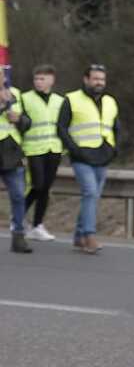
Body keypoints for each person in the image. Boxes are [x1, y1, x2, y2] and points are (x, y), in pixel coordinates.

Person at [57, 64, 119, 254]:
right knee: (90, 193)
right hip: (81, 156)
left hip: (102, 156)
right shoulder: (71, 99)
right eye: (95, 78)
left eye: (102, 79)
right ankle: (89, 236)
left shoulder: (110, 101)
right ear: (86, 79)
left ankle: (78, 236)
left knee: (91, 196)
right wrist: (74, 150)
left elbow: (116, 127)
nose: (99, 82)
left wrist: (114, 149)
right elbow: (61, 128)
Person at [21, 65, 65, 241]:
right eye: (36, 79)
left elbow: (63, 125)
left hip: (54, 148)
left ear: (51, 80)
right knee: (37, 185)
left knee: (45, 188)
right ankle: (18, 215)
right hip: (33, 148)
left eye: (42, 79)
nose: (38, 82)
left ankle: (37, 225)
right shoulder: (25, 98)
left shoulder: (59, 101)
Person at [1, 84, 33, 253]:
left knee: (19, 196)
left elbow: (28, 122)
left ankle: (18, 237)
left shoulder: (15, 93)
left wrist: (19, 119)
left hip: (11, 153)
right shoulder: (6, 98)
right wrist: (3, 106)